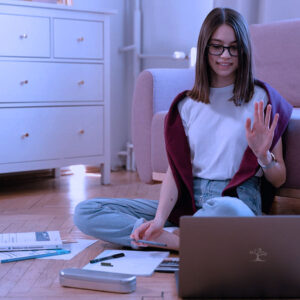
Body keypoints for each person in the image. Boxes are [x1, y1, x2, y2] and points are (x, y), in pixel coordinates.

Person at [74, 7, 292, 251]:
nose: (225, 55)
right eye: (216, 46)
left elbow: (279, 177)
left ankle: (171, 240)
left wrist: (264, 156)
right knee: (86, 211)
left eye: (234, 47)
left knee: (228, 210)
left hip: (235, 200)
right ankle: (168, 237)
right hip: (188, 200)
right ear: (205, 47)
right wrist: (158, 219)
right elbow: (175, 172)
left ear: (244, 50)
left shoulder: (262, 99)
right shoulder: (187, 104)